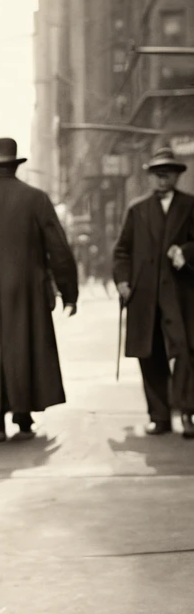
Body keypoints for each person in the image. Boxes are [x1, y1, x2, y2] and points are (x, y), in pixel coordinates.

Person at [0, 137, 78, 442]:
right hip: (27, 286)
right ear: (15, 164)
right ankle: (22, 412)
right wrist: (68, 291)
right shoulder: (37, 198)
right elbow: (59, 250)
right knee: (25, 345)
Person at [113, 146, 194, 438]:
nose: (163, 179)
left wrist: (186, 252)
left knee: (186, 353)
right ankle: (159, 416)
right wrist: (123, 282)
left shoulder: (190, 206)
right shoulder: (137, 209)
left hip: (181, 297)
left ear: (176, 175)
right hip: (145, 297)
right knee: (151, 355)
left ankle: (188, 413)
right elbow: (121, 251)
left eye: (168, 174)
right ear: (151, 177)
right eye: (158, 174)